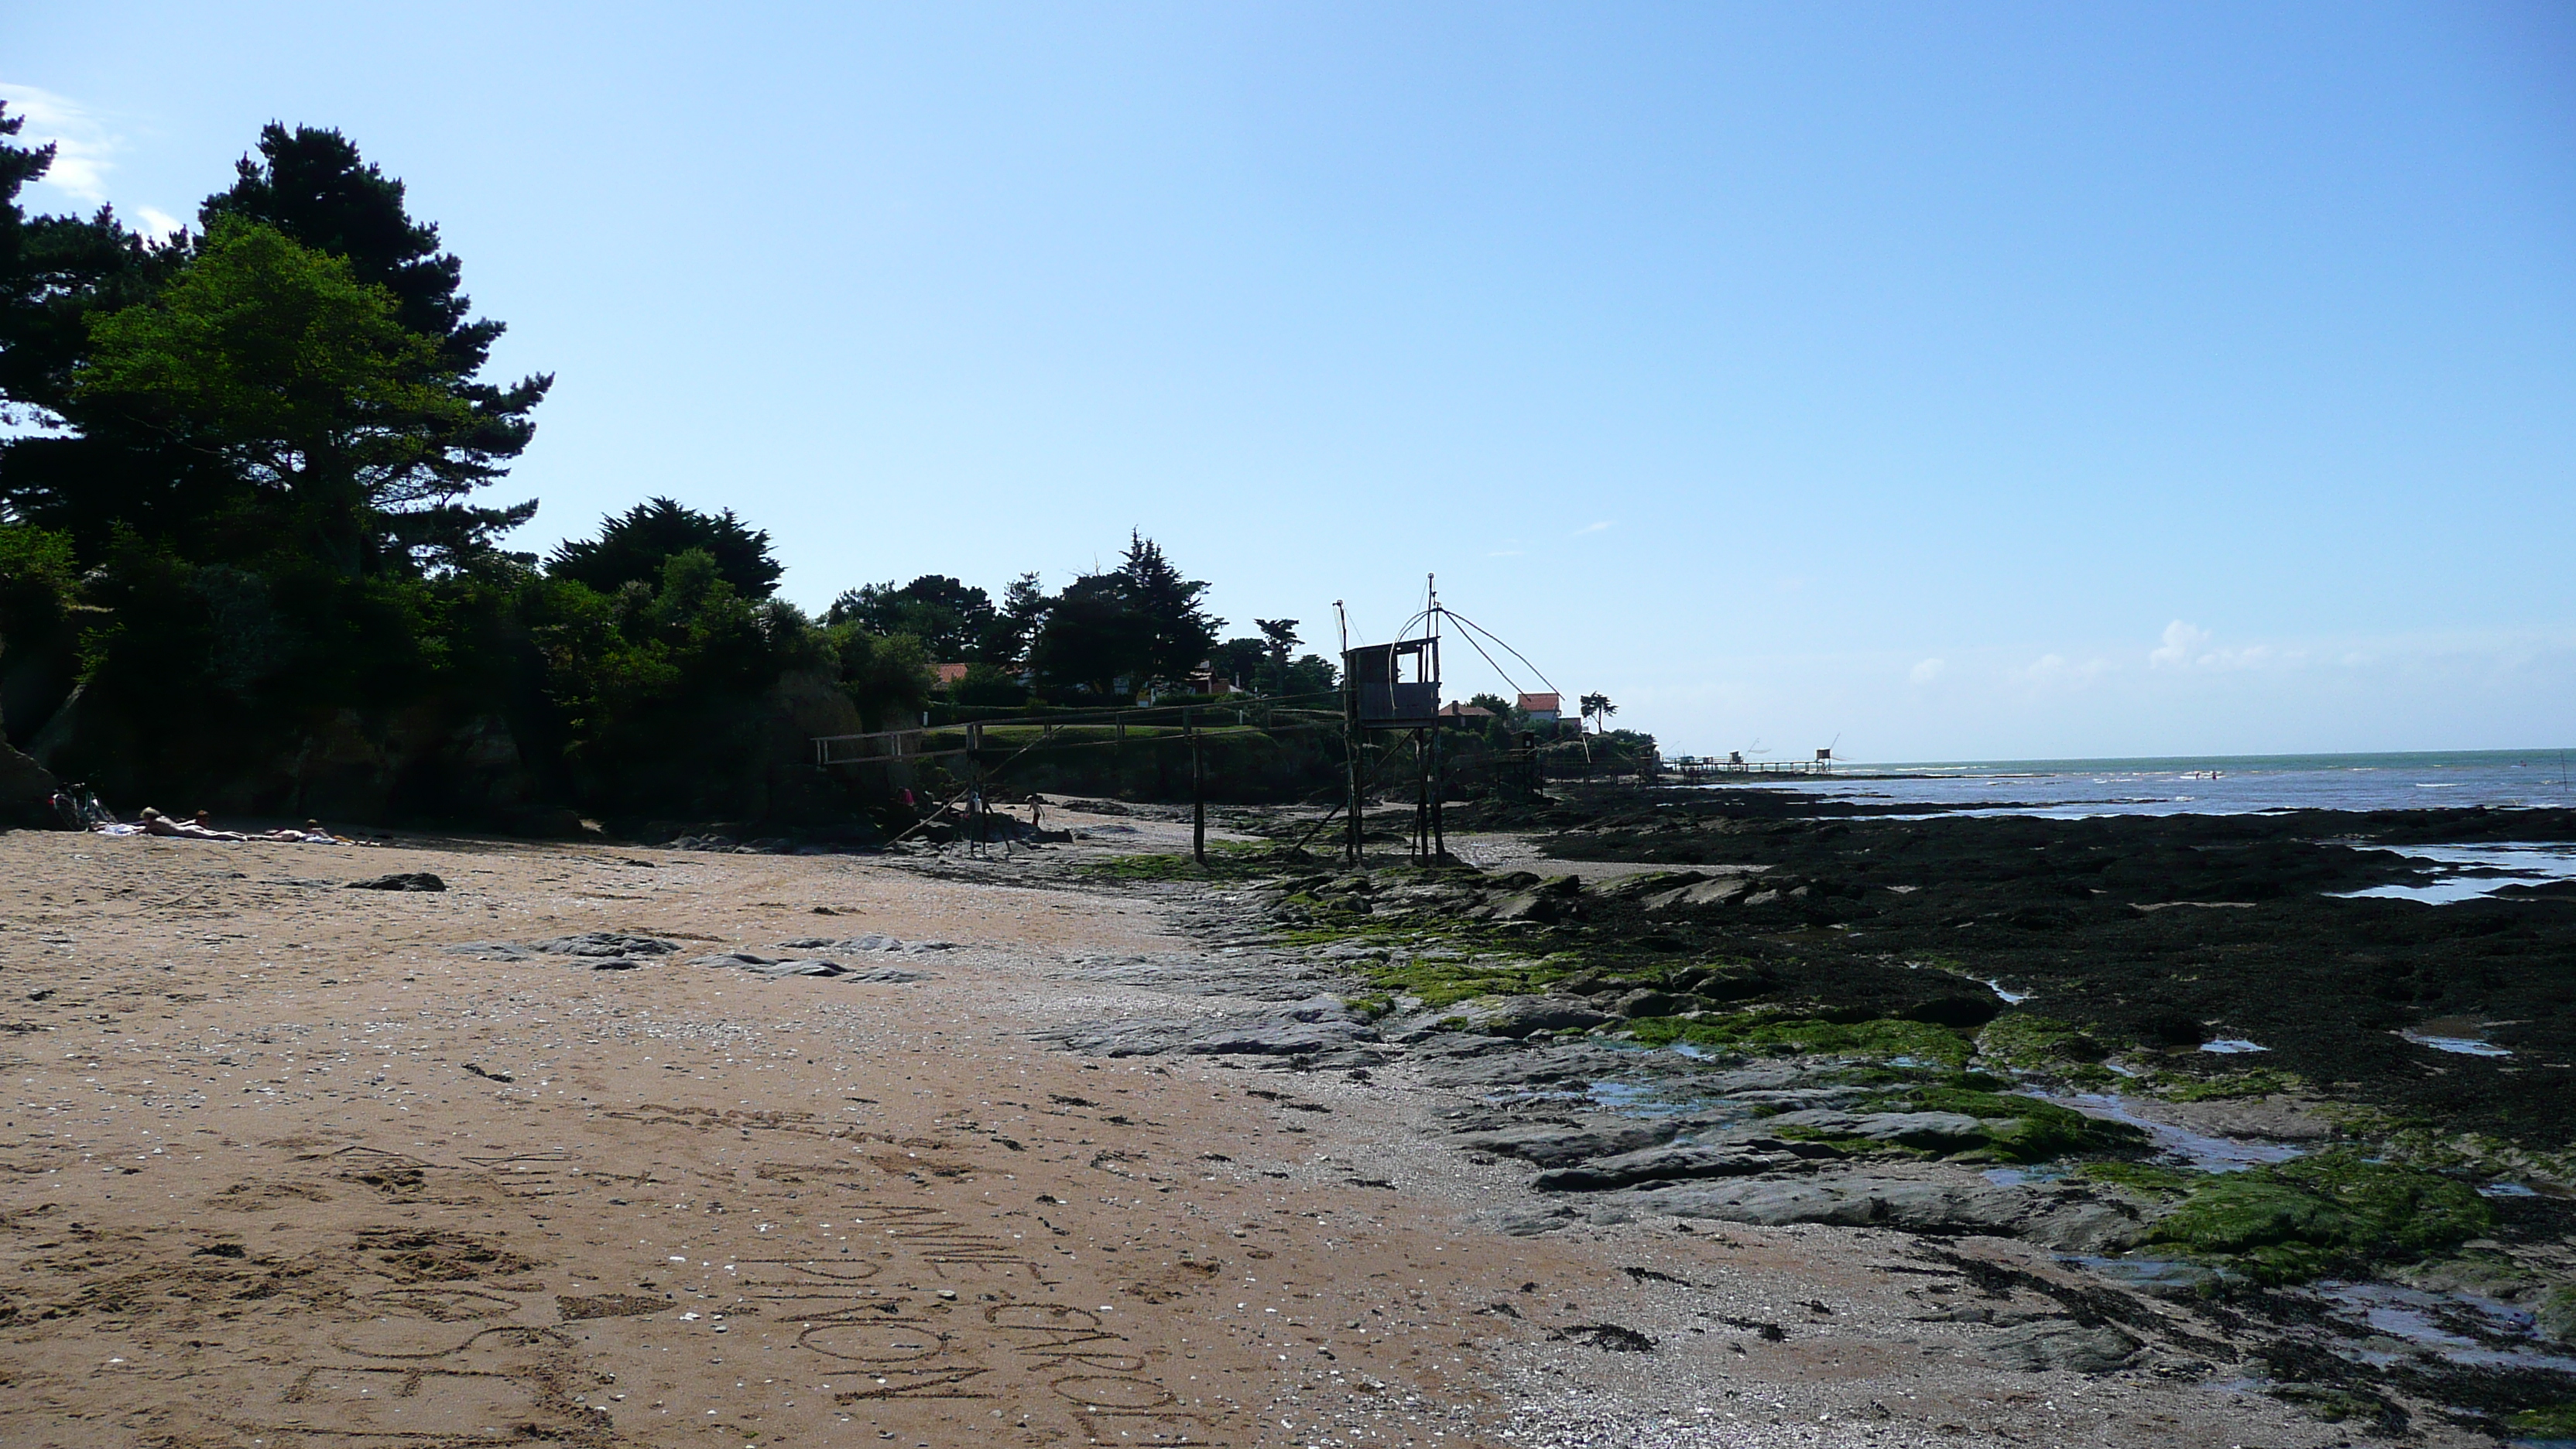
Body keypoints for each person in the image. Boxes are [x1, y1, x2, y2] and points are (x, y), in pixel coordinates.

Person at [139, 807, 245, 841]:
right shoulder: (163, 818)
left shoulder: (153, 823)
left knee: (213, 836)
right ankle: (245, 836)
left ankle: (242, 839)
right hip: (189, 827)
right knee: (216, 833)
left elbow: (143, 831)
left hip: (186, 831)